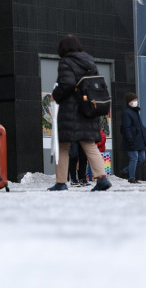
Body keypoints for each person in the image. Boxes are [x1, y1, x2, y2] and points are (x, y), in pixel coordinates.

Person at [48, 34, 111, 191]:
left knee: (63, 146)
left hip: (71, 110)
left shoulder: (66, 62)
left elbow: (67, 83)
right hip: (88, 108)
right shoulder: (89, 60)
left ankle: (61, 182)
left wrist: (56, 94)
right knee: (90, 144)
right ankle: (102, 179)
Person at [120, 92, 146, 184]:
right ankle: (131, 178)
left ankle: (126, 171)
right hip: (132, 139)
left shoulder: (135, 111)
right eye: (134, 100)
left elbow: (140, 126)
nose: (136, 102)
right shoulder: (126, 113)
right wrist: (130, 139)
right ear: (129, 102)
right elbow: (126, 127)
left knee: (142, 158)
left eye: (136, 100)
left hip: (139, 139)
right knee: (134, 158)